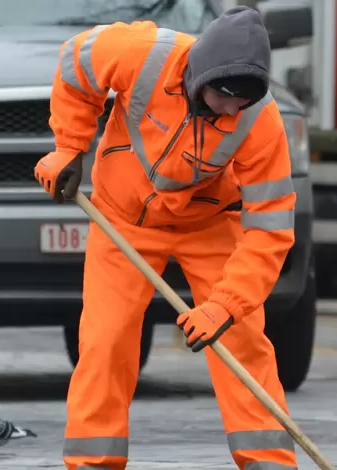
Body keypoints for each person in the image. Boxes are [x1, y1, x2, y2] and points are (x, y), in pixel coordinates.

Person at [34, 6, 298, 470]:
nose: (233, 110)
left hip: (210, 226)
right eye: (225, 98)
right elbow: (76, 62)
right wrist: (68, 147)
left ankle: (269, 462)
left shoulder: (262, 123)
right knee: (106, 341)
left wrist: (226, 304)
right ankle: (92, 463)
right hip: (123, 222)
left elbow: (271, 227)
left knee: (241, 341)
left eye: (244, 102)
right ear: (201, 73)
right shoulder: (141, 54)